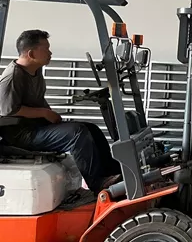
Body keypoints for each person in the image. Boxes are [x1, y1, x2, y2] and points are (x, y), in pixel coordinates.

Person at [0, 30, 121, 193]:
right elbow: (8, 110)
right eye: (46, 49)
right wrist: (44, 113)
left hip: (36, 127)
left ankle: (114, 174)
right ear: (31, 53)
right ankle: (96, 183)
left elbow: (36, 100)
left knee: (92, 129)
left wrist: (50, 115)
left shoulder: (35, 70)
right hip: (23, 134)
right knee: (77, 133)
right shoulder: (13, 76)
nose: (50, 53)